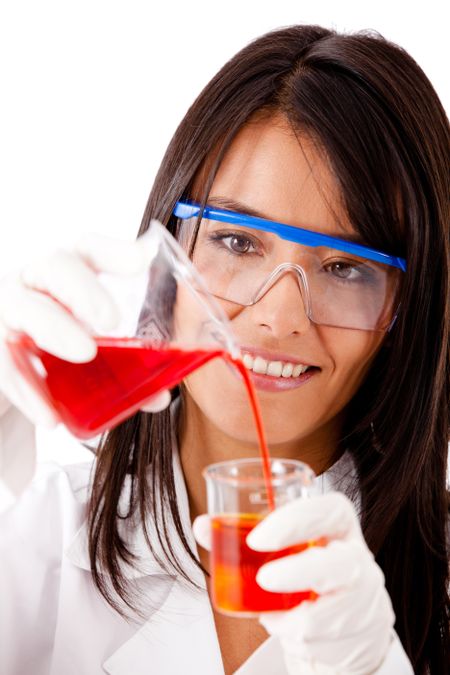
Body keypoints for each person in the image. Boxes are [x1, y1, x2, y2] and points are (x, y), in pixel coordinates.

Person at [0, 24, 448, 675]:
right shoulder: (36, 536)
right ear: (172, 243)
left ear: (405, 311)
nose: (278, 316)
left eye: (347, 268)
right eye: (239, 242)